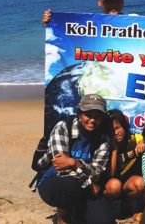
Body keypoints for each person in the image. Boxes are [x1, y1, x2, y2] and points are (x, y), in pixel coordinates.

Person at [35, 94, 114, 224]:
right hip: (53, 181)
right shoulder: (63, 127)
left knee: (105, 220)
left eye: (97, 116)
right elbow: (61, 168)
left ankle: (76, 211)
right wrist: (90, 184)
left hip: (83, 185)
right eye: (88, 114)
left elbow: (96, 173)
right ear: (79, 114)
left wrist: (74, 163)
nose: (92, 120)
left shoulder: (103, 138)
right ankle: (62, 217)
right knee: (68, 185)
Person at [103, 110, 145, 218]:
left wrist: (144, 142)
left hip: (129, 181)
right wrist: (114, 150)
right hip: (113, 182)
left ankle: (130, 205)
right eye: (111, 130)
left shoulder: (135, 139)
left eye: (118, 128)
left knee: (141, 183)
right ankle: (110, 209)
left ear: (124, 126)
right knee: (114, 186)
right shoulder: (104, 145)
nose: (115, 133)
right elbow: (111, 174)